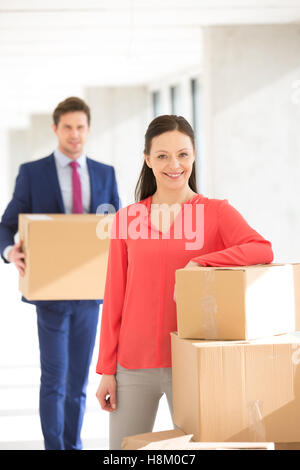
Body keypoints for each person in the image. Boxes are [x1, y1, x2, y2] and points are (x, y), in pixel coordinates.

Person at [95, 114, 273, 450]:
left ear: (193, 156)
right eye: (162, 156)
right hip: (132, 366)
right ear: (147, 160)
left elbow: (261, 249)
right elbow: (114, 296)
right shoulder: (127, 218)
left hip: (192, 363)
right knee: (122, 455)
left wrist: (202, 259)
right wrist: (107, 369)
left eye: (182, 154)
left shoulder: (216, 212)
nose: (173, 164)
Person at [0, 97, 120, 450]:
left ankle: (74, 444)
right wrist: (11, 251)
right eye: (67, 127)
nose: (74, 134)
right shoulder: (33, 172)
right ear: (55, 129)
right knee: (54, 377)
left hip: (90, 293)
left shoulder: (104, 173)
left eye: (81, 127)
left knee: (78, 380)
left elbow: (116, 227)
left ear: (88, 129)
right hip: (50, 291)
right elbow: (5, 226)